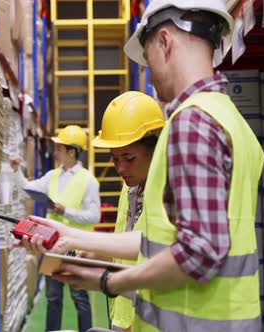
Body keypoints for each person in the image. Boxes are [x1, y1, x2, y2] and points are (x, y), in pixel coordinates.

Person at [19, 1, 264, 331]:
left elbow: (200, 252)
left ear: (165, 41)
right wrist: (73, 236)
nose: (148, 72)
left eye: (147, 59)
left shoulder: (192, 122)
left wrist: (110, 281)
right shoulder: (231, 119)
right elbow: (161, 240)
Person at [11, 124, 100, 332]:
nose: (55, 151)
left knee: (80, 298)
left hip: (77, 248)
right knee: (53, 296)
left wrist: (65, 211)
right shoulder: (53, 176)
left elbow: (94, 215)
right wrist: (16, 171)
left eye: (60, 148)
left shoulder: (89, 181)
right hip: (51, 245)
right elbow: (29, 189)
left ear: (72, 152)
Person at [90, 91, 164, 331]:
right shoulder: (129, 188)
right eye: (114, 159)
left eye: (128, 158)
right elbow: (128, 246)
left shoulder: (169, 194)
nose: (120, 168)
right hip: (124, 315)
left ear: (154, 148)